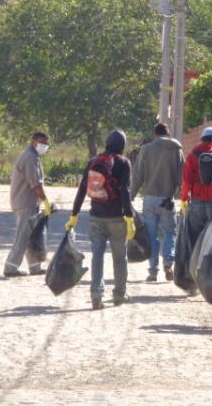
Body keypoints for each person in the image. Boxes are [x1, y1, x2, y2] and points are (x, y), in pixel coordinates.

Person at [65, 129, 135, 310]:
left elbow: (81, 190)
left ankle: (96, 295)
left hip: (96, 216)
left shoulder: (93, 162)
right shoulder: (123, 162)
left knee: (97, 256)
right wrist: (129, 217)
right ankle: (119, 294)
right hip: (117, 218)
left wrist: (74, 214)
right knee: (120, 257)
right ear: (122, 145)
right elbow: (125, 192)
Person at [130, 123, 184, 282]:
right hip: (168, 200)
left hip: (149, 199)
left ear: (154, 134)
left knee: (151, 235)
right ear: (168, 134)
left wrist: (131, 195)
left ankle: (153, 271)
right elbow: (182, 177)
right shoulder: (176, 150)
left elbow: (138, 174)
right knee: (169, 232)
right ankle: (168, 264)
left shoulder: (146, 149)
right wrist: (185, 197)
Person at [4, 131, 52, 277]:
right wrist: (46, 202)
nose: (45, 146)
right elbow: (36, 185)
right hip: (25, 202)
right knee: (23, 236)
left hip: (27, 202)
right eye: (43, 143)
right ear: (34, 142)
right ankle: (10, 267)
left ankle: (35, 267)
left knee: (32, 236)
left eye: (47, 144)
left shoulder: (31, 155)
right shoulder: (30, 157)